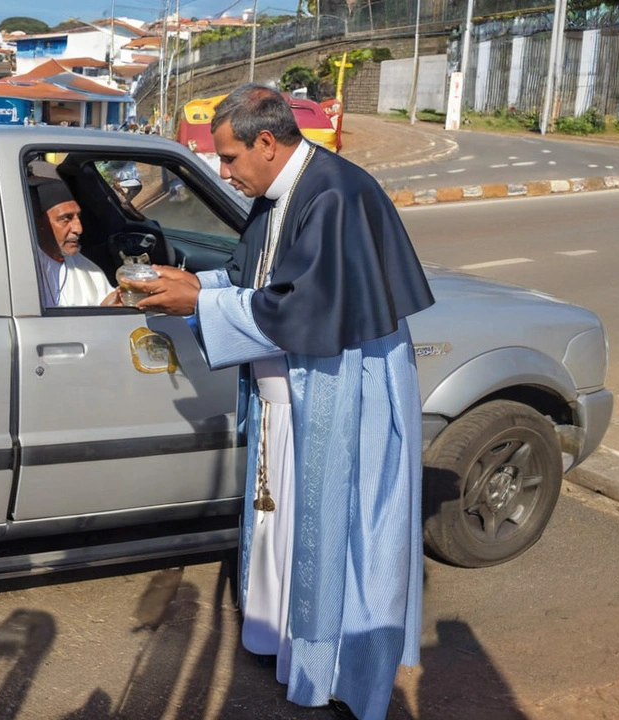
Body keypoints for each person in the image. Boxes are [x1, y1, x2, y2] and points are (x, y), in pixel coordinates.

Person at [125, 84, 434, 720]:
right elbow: (258, 278)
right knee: (288, 525)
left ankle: (334, 669)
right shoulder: (279, 192)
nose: (224, 171)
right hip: (287, 399)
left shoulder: (337, 195)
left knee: (338, 528)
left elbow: (300, 310)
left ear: (268, 142)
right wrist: (195, 283)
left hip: (337, 392)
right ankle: (287, 645)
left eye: (230, 157)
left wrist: (201, 304)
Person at [30, 178, 119, 307]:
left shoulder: (86, 268)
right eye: (65, 219)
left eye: (78, 217)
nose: (79, 229)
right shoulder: (22, 269)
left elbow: (104, 305)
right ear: (40, 224)